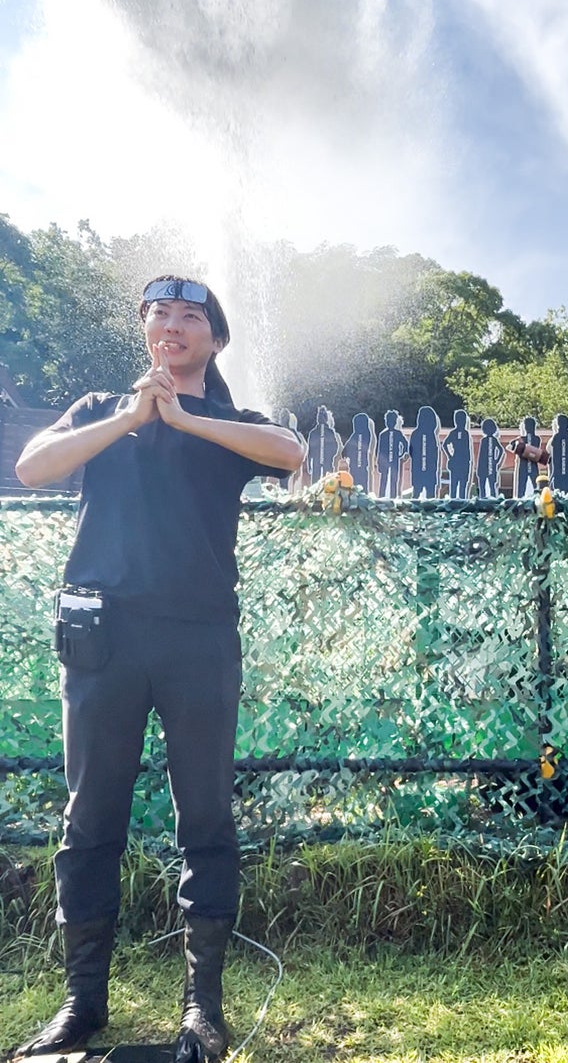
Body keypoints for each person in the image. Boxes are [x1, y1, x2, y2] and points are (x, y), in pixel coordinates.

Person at [12, 276, 306, 1063]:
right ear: (145, 330)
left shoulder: (230, 422)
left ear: (215, 339)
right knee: (88, 822)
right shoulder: (102, 407)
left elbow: (291, 453)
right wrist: (130, 418)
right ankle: (81, 1004)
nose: (171, 326)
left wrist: (182, 420)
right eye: (159, 315)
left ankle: (201, 1011)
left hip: (198, 640)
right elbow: (35, 468)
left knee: (205, 818)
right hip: (102, 637)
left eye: (190, 317)